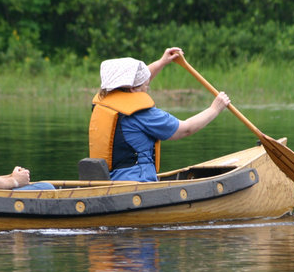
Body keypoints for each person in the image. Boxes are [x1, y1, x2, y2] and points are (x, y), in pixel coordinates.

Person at [89, 48, 231, 182]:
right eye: (146, 86)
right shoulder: (143, 115)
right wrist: (215, 108)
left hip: (110, 180)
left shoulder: (103, 102)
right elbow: (186, 129)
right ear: (132, 88)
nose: (148, 87)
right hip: (137, 183)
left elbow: (138, 81)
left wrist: (162, 62)